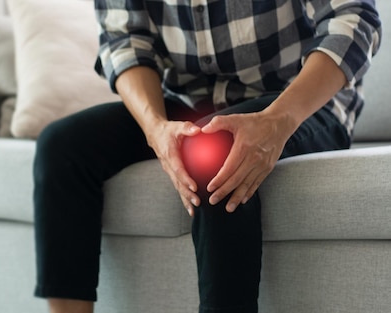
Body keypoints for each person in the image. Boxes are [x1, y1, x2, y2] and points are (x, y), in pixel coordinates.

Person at [33, 1, 381, 312]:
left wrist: (279, 120)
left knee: (213, 152)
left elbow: (353, 19)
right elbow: (125, 41)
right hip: (187, 103)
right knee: (61, 146)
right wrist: (156, 129)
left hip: (298, 102)